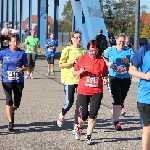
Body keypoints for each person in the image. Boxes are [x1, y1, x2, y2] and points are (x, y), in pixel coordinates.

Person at [72, 39, 108, 144]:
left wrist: (105, 78)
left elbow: (105, 73)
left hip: (97, 90)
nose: (93, 53)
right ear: (88, 50)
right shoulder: (82, 59)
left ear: (98, 50)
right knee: (83, 114)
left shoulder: (101, 61)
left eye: (95, 50)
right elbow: (74, 73)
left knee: (93, 114)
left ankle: (88, 136)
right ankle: (79, 127)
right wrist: (79, 71)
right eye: (91, 50)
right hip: (83, 90)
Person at [103, 33, 134, 130]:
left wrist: (128, 60)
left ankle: (115, 114)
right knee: (116, 98)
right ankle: (116, 120)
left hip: (125, 78)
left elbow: (136, 59)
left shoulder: (129, 50)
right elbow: (102, 58)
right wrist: (108, 63)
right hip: (114, 77)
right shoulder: (110, 50)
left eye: (123, 41)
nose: (121, 43)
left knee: (121, 99)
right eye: (119, 41)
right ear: (116, 41)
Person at [57, 31, 87, 128]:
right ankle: (62, 115)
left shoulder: (83, 51)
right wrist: (71, 62)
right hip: (69, 79)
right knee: (69, 102)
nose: (79, 39)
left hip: (80, 80)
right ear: (72, 38)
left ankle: (77, 123)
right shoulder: (67, 50)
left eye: (80, 37)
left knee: (80, 103)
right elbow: (61, 64)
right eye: (77, 37)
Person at [0, 34, 28, 132]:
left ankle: (11, 111)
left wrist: (22, 69)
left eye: (16, 42)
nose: (15, 43)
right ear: (9, 42)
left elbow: (26, 66)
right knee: (9, 100)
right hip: (6, 79)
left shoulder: (21, 53)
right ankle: (10, 122)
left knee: (16, 103)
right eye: (13, 41)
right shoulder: (3, 52)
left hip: (18, 80)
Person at [128, 44, 150, 150]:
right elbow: (131, 70)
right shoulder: (144, 50)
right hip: (146, 97)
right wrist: (145, 76)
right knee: (148, 129)